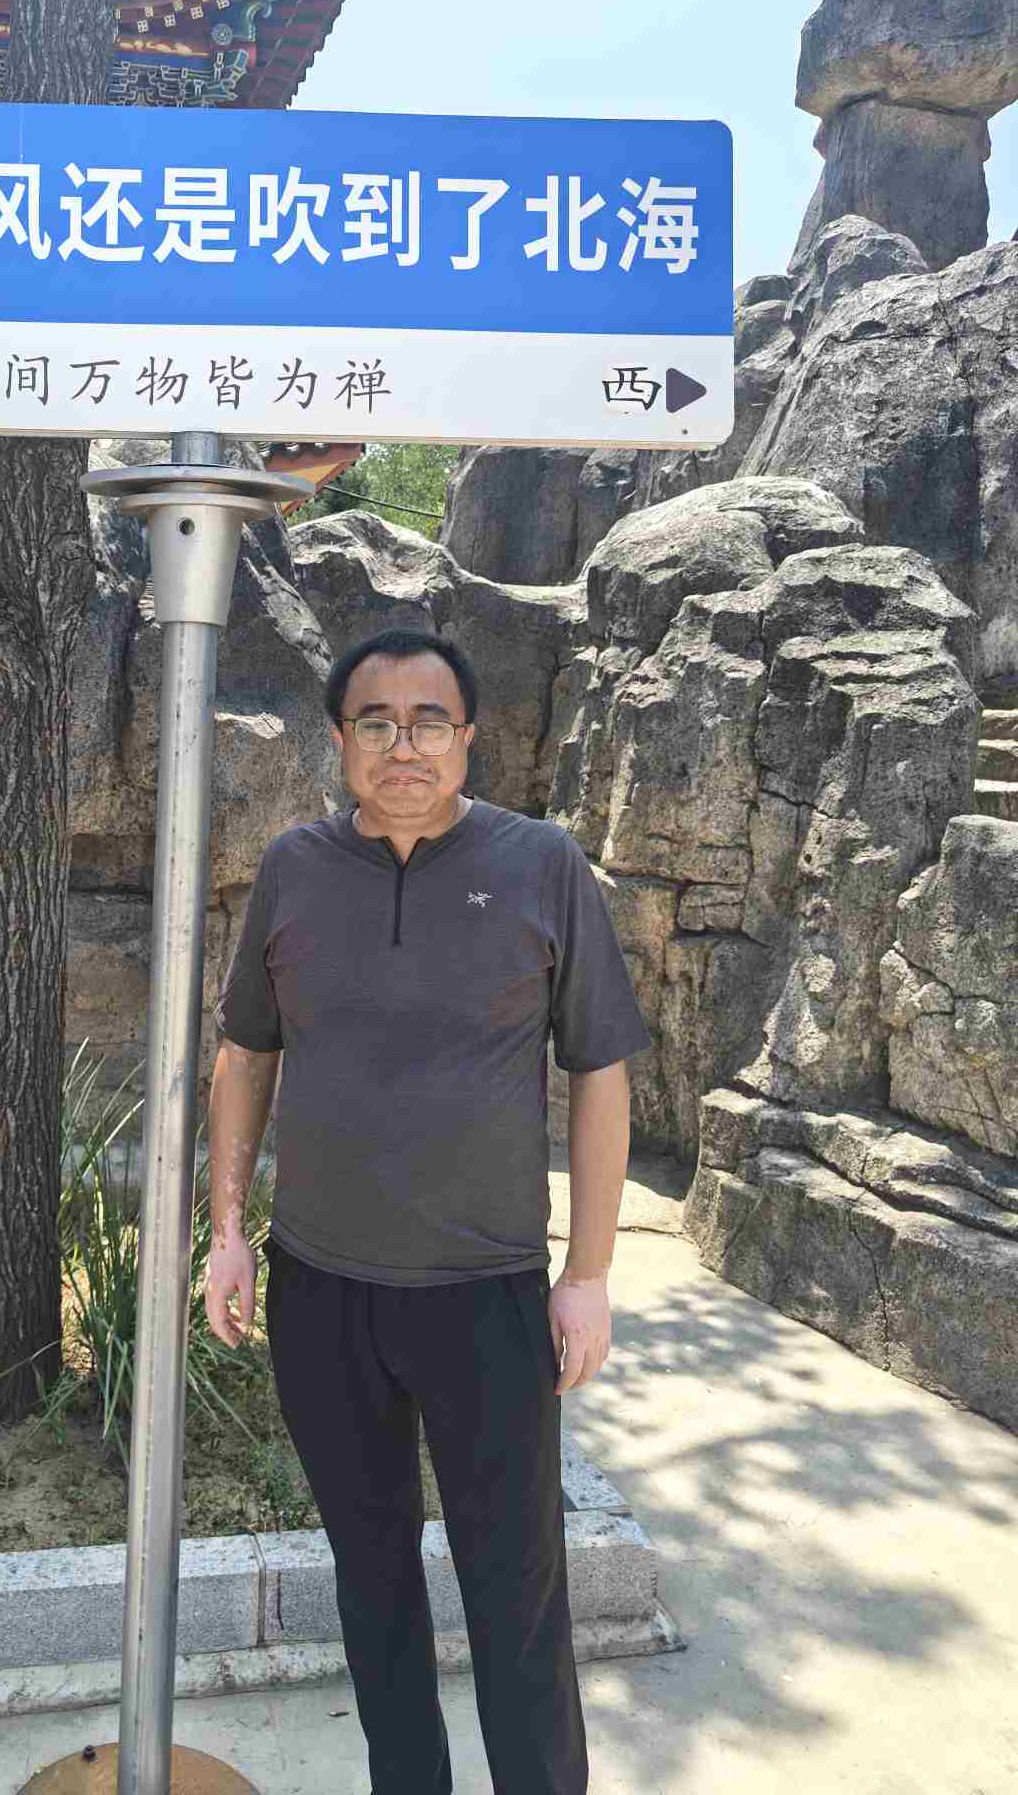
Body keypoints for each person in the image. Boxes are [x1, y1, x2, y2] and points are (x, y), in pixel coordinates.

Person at [204, 626, 651, 1795]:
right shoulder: (294, 868)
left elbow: (600, 1069)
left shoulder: (543, 863)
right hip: (322, 1291)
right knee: (373, 1577)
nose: (403, 745)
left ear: (468, 736)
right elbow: (246, 1051)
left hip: (486, 1295)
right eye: (377, 721)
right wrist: (228, 1232)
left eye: (429, 720)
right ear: (342, 738)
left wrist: (588, 1271)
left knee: (517, 1590)